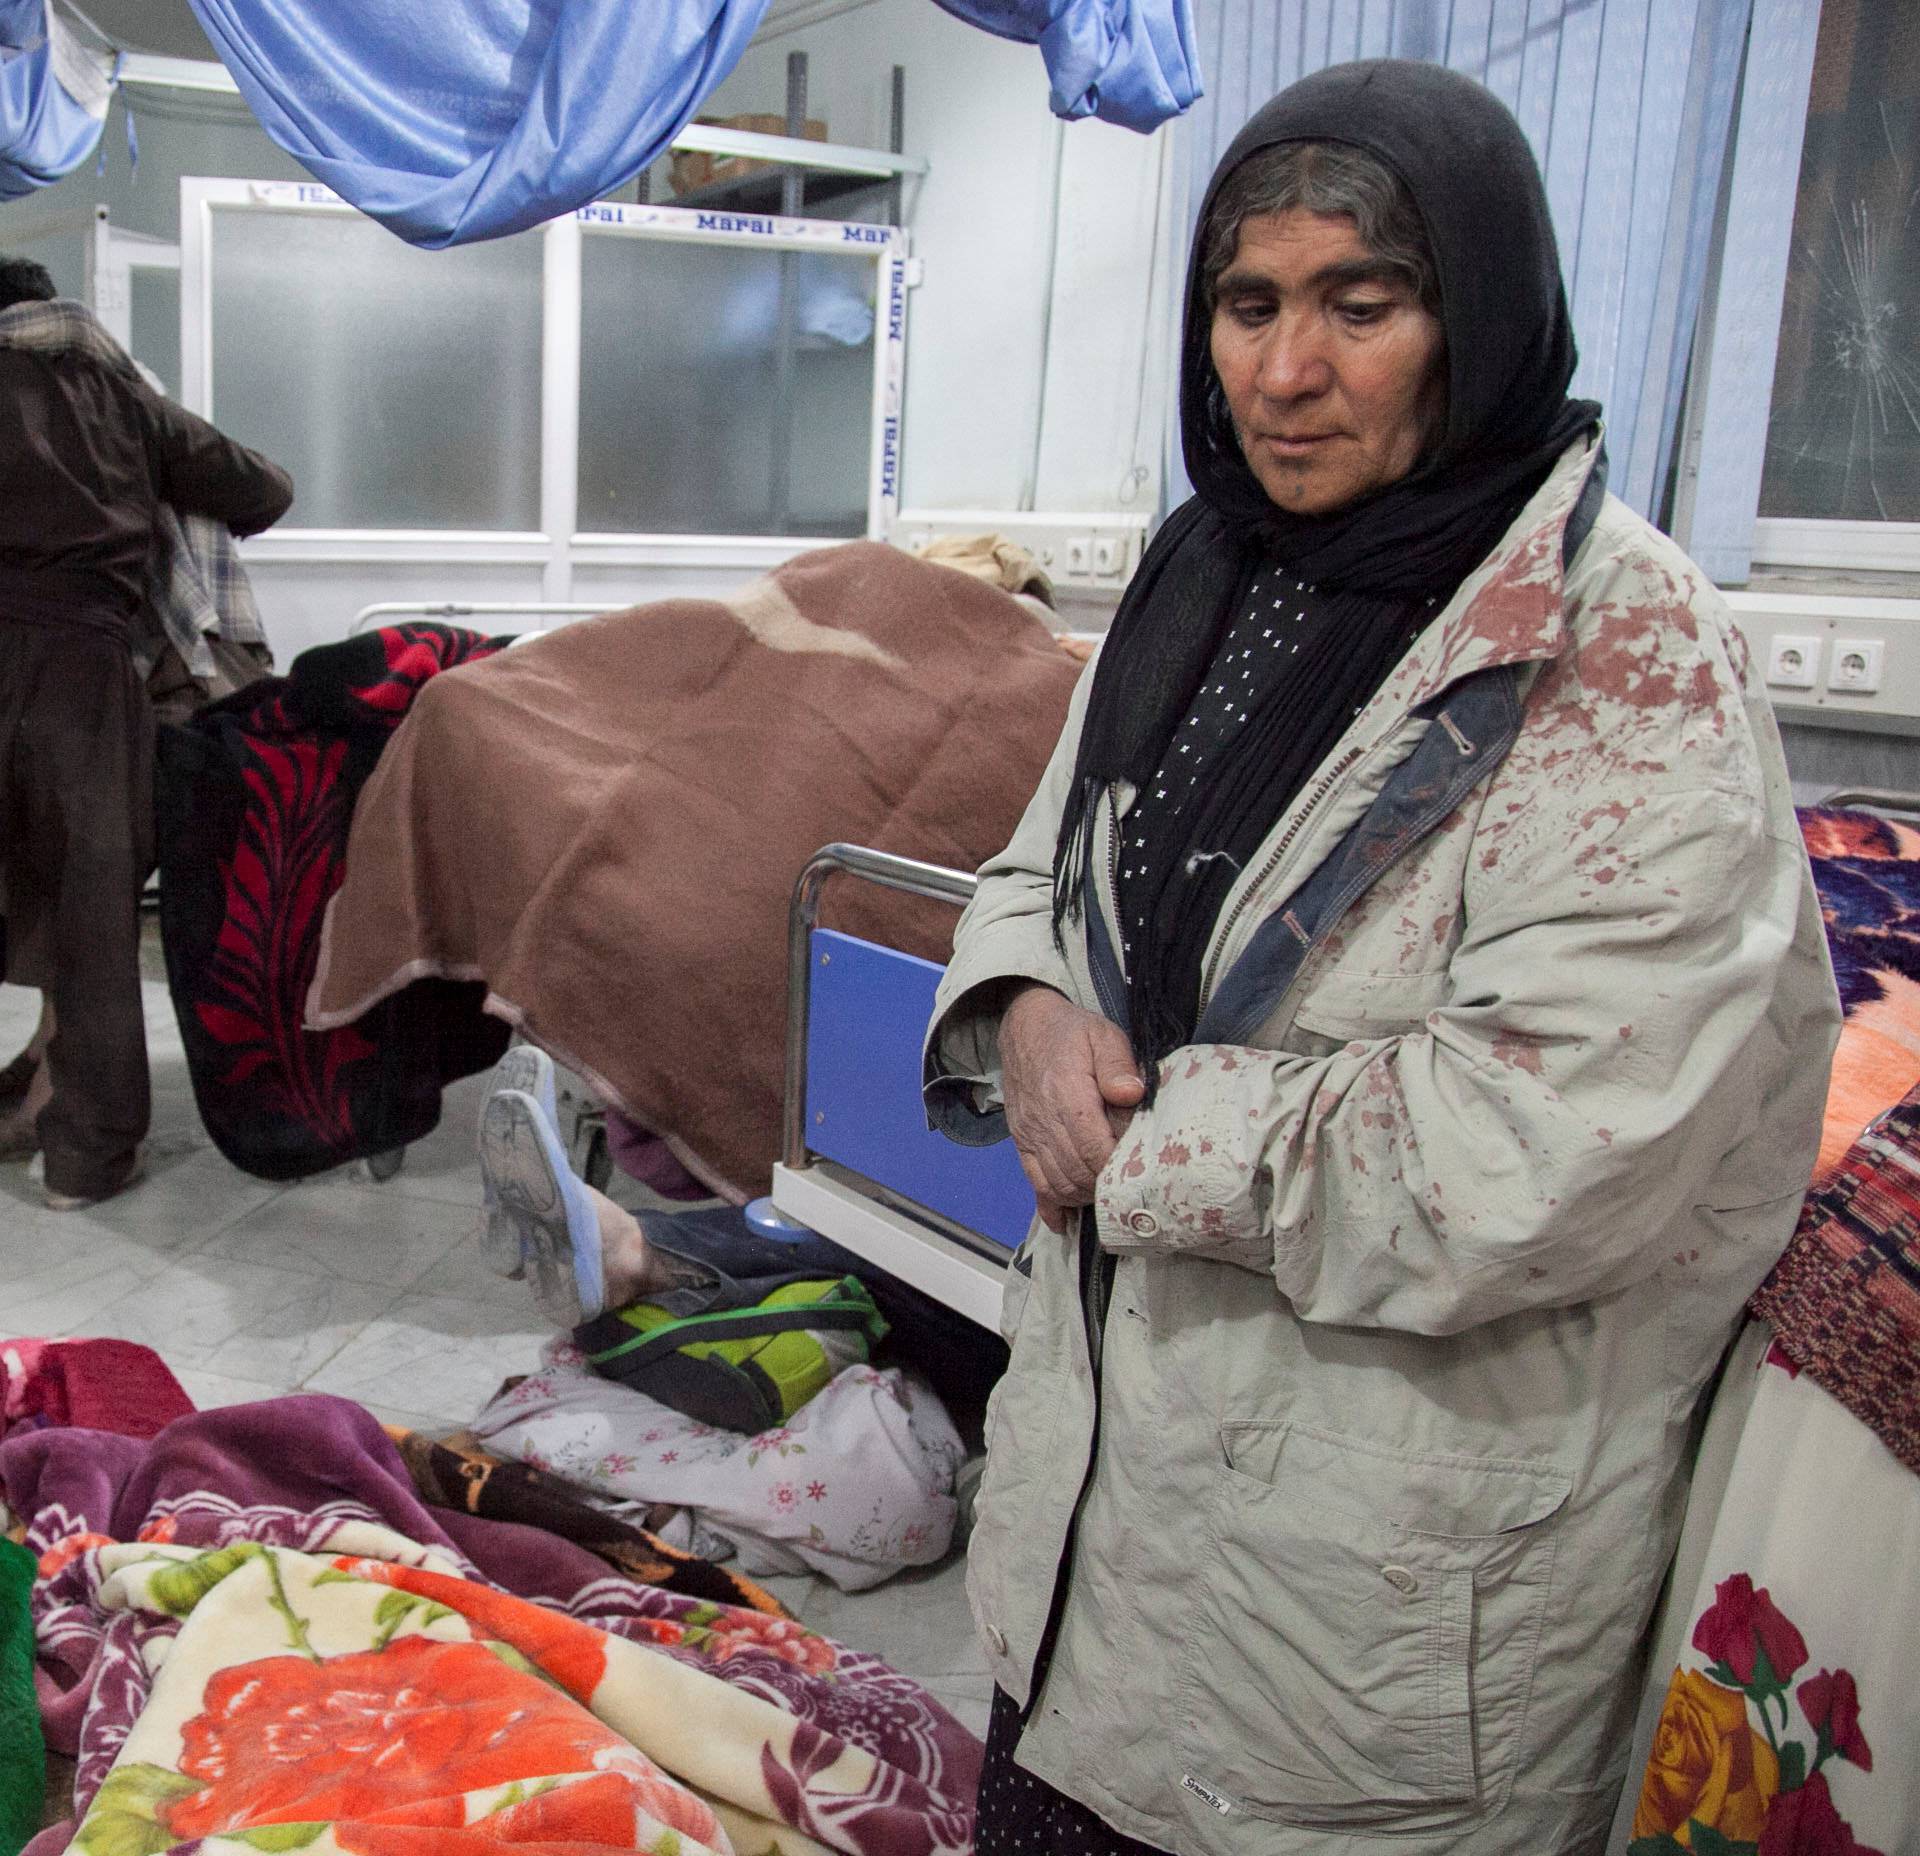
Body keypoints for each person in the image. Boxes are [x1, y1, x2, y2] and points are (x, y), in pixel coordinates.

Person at [921, 61, 1840, 1856]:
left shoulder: (1620, 650)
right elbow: (1048, 856)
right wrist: (1024, 1008)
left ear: (1476, 315)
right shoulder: (1208, 566)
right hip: (1094, 1542)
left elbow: (1539, 1152)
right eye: (1248, 304)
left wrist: (1140, 1144)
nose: (1282, 370)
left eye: (1364, 303)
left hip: (1364, 1633)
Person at [0, 256, 293, 1208]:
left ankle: (32, 1092)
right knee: (90, 918)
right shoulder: (117, 390)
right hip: (80, 676)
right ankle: (83, 1159)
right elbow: (264, 490)